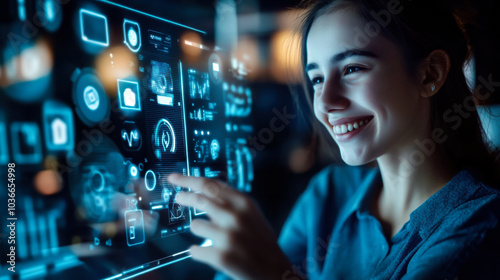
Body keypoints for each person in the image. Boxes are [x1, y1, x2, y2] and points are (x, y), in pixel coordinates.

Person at [167, 0, 500, 279]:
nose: (325, 103)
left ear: (431, 74)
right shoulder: (330, 193)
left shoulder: (480, 226)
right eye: (316, 78)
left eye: (352, 68)